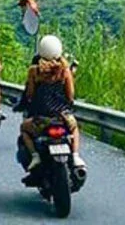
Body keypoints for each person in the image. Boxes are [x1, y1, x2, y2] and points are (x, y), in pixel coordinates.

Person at [18, 34, 83, 175]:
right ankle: (76, 156)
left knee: (24, 129)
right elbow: (71, 95)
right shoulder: (65, 71)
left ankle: (35, 156)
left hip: (41, 118)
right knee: (74, 128)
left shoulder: (34, 71)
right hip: (62, 117)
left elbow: (29, 94)